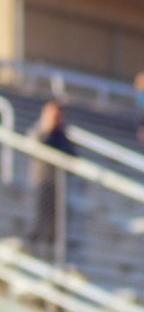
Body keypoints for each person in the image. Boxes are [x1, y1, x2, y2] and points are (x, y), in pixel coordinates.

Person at [27, 100, 77, 249]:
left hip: (59, 183)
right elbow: (36, 148)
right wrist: (48, 128)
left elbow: (72, 156)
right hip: (43, 180)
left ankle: (50, 245)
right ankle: (35, 241)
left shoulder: (63, 134)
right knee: (41, 215)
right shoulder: (39, 130)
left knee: (57, 220)